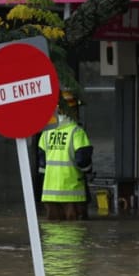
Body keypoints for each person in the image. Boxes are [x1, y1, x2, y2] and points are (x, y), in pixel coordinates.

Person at [37, 90, 93, 221]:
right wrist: (88, 171)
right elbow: (83, 161)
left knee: (53, 234)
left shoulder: (46, 132)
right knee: (74, 233)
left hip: (49, 195)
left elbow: (42, 165)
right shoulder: (76, 132)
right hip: (72, 194)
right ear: (73, 110)